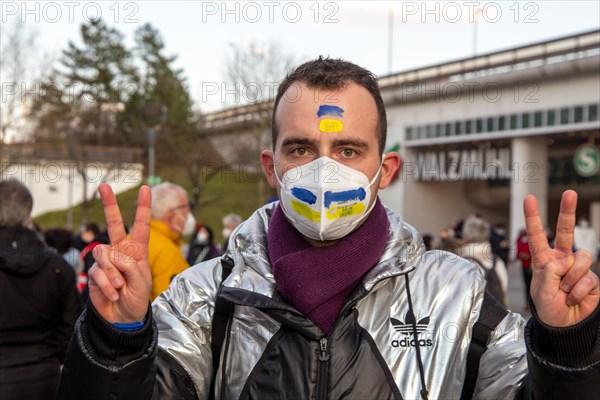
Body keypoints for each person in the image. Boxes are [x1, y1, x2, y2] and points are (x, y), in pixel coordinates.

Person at [58, 58, 599, 399]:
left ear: (384, 170)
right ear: (272, 167)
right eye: (301, 149)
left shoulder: (458, 294)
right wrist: (117, 340)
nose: (323, 169)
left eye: (347, 150)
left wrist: (567, 347)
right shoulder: (202, 298)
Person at [0, 179, 81, 400]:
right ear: (29, 213)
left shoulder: (58, 267)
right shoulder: (58, 266)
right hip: (43, 378)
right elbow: (71, 329)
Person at [146, 182, 195, 301]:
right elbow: (171, 306)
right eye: (186, 211)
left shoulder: (135, 238)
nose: (188, 217)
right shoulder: (166, 251)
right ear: (171, 214)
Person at [459, 216, 508, 304]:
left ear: (466, 235)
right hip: (495, 314)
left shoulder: (461, 262)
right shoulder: (496, 261)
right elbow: (503, 287)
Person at [516, 229, 533, 308]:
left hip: (532, 266)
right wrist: (521, 255)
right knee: (527, 285)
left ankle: (533, 303)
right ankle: (527, 302)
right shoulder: (519, 241)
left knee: (533, 285)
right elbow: (517, 254)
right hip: (524, 266)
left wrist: (529, 256)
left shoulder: (532, 241)